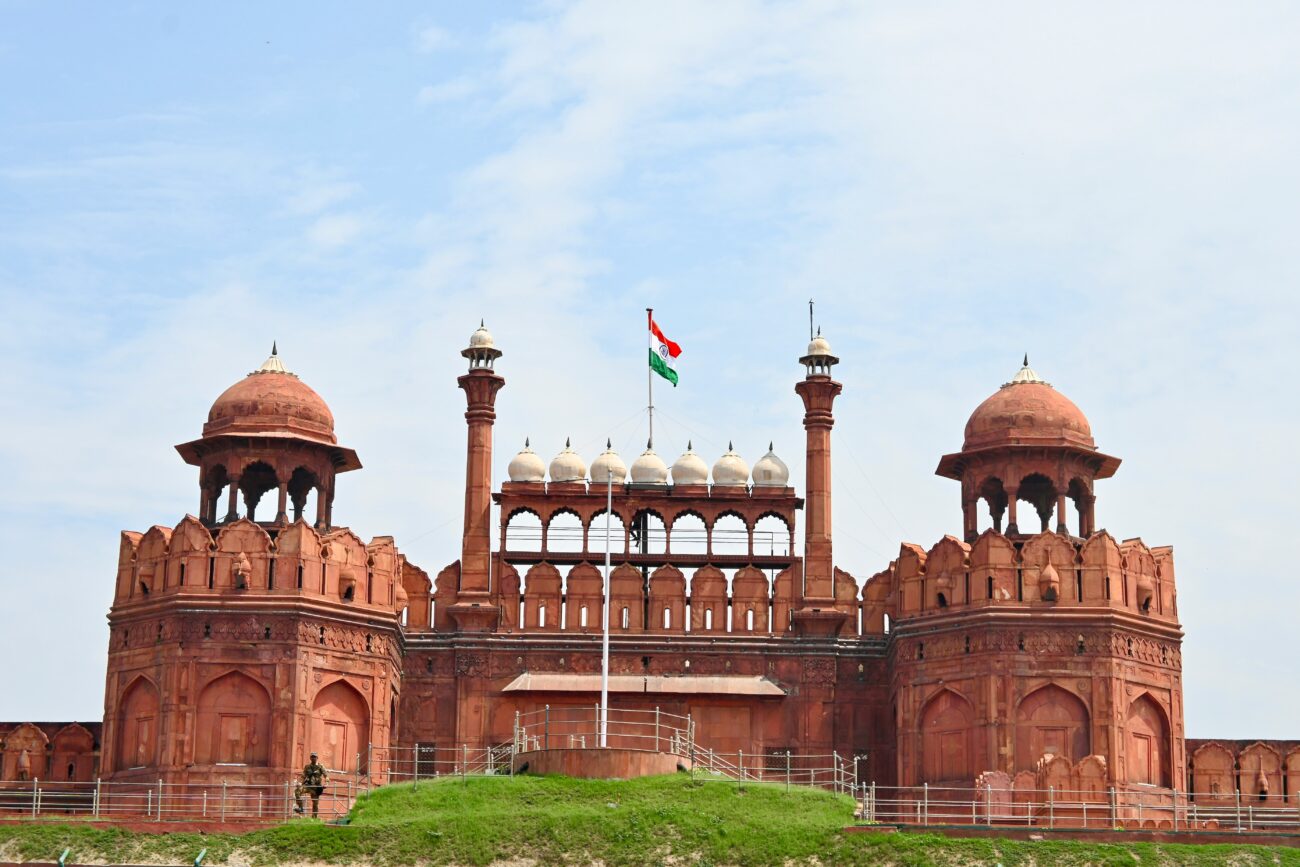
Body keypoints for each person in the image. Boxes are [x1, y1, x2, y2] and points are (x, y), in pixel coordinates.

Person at [294, 752, 328, 817]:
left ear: (317, 758)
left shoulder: (320, 766)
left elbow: (326, 776)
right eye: (312, 757)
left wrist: (326, 783)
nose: (313, 758)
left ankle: (314, 818)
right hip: (308, 785)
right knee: (297, 791)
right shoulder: (307, 767)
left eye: (315, 757)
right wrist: (299, 782)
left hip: (316, 787)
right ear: (310, 758)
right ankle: (300, 808)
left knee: (315, 803)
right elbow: (303, 776)